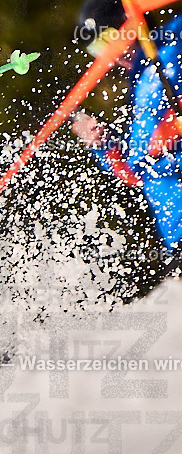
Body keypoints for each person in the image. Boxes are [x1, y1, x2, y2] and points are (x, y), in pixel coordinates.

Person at [73, 0, 182, 271]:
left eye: (109, 40)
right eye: (97, 50)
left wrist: (168, 132)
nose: (111, 56)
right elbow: (135, 173)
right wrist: (103, 145)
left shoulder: (173, 42)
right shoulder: (139, 83)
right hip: (177, 237)